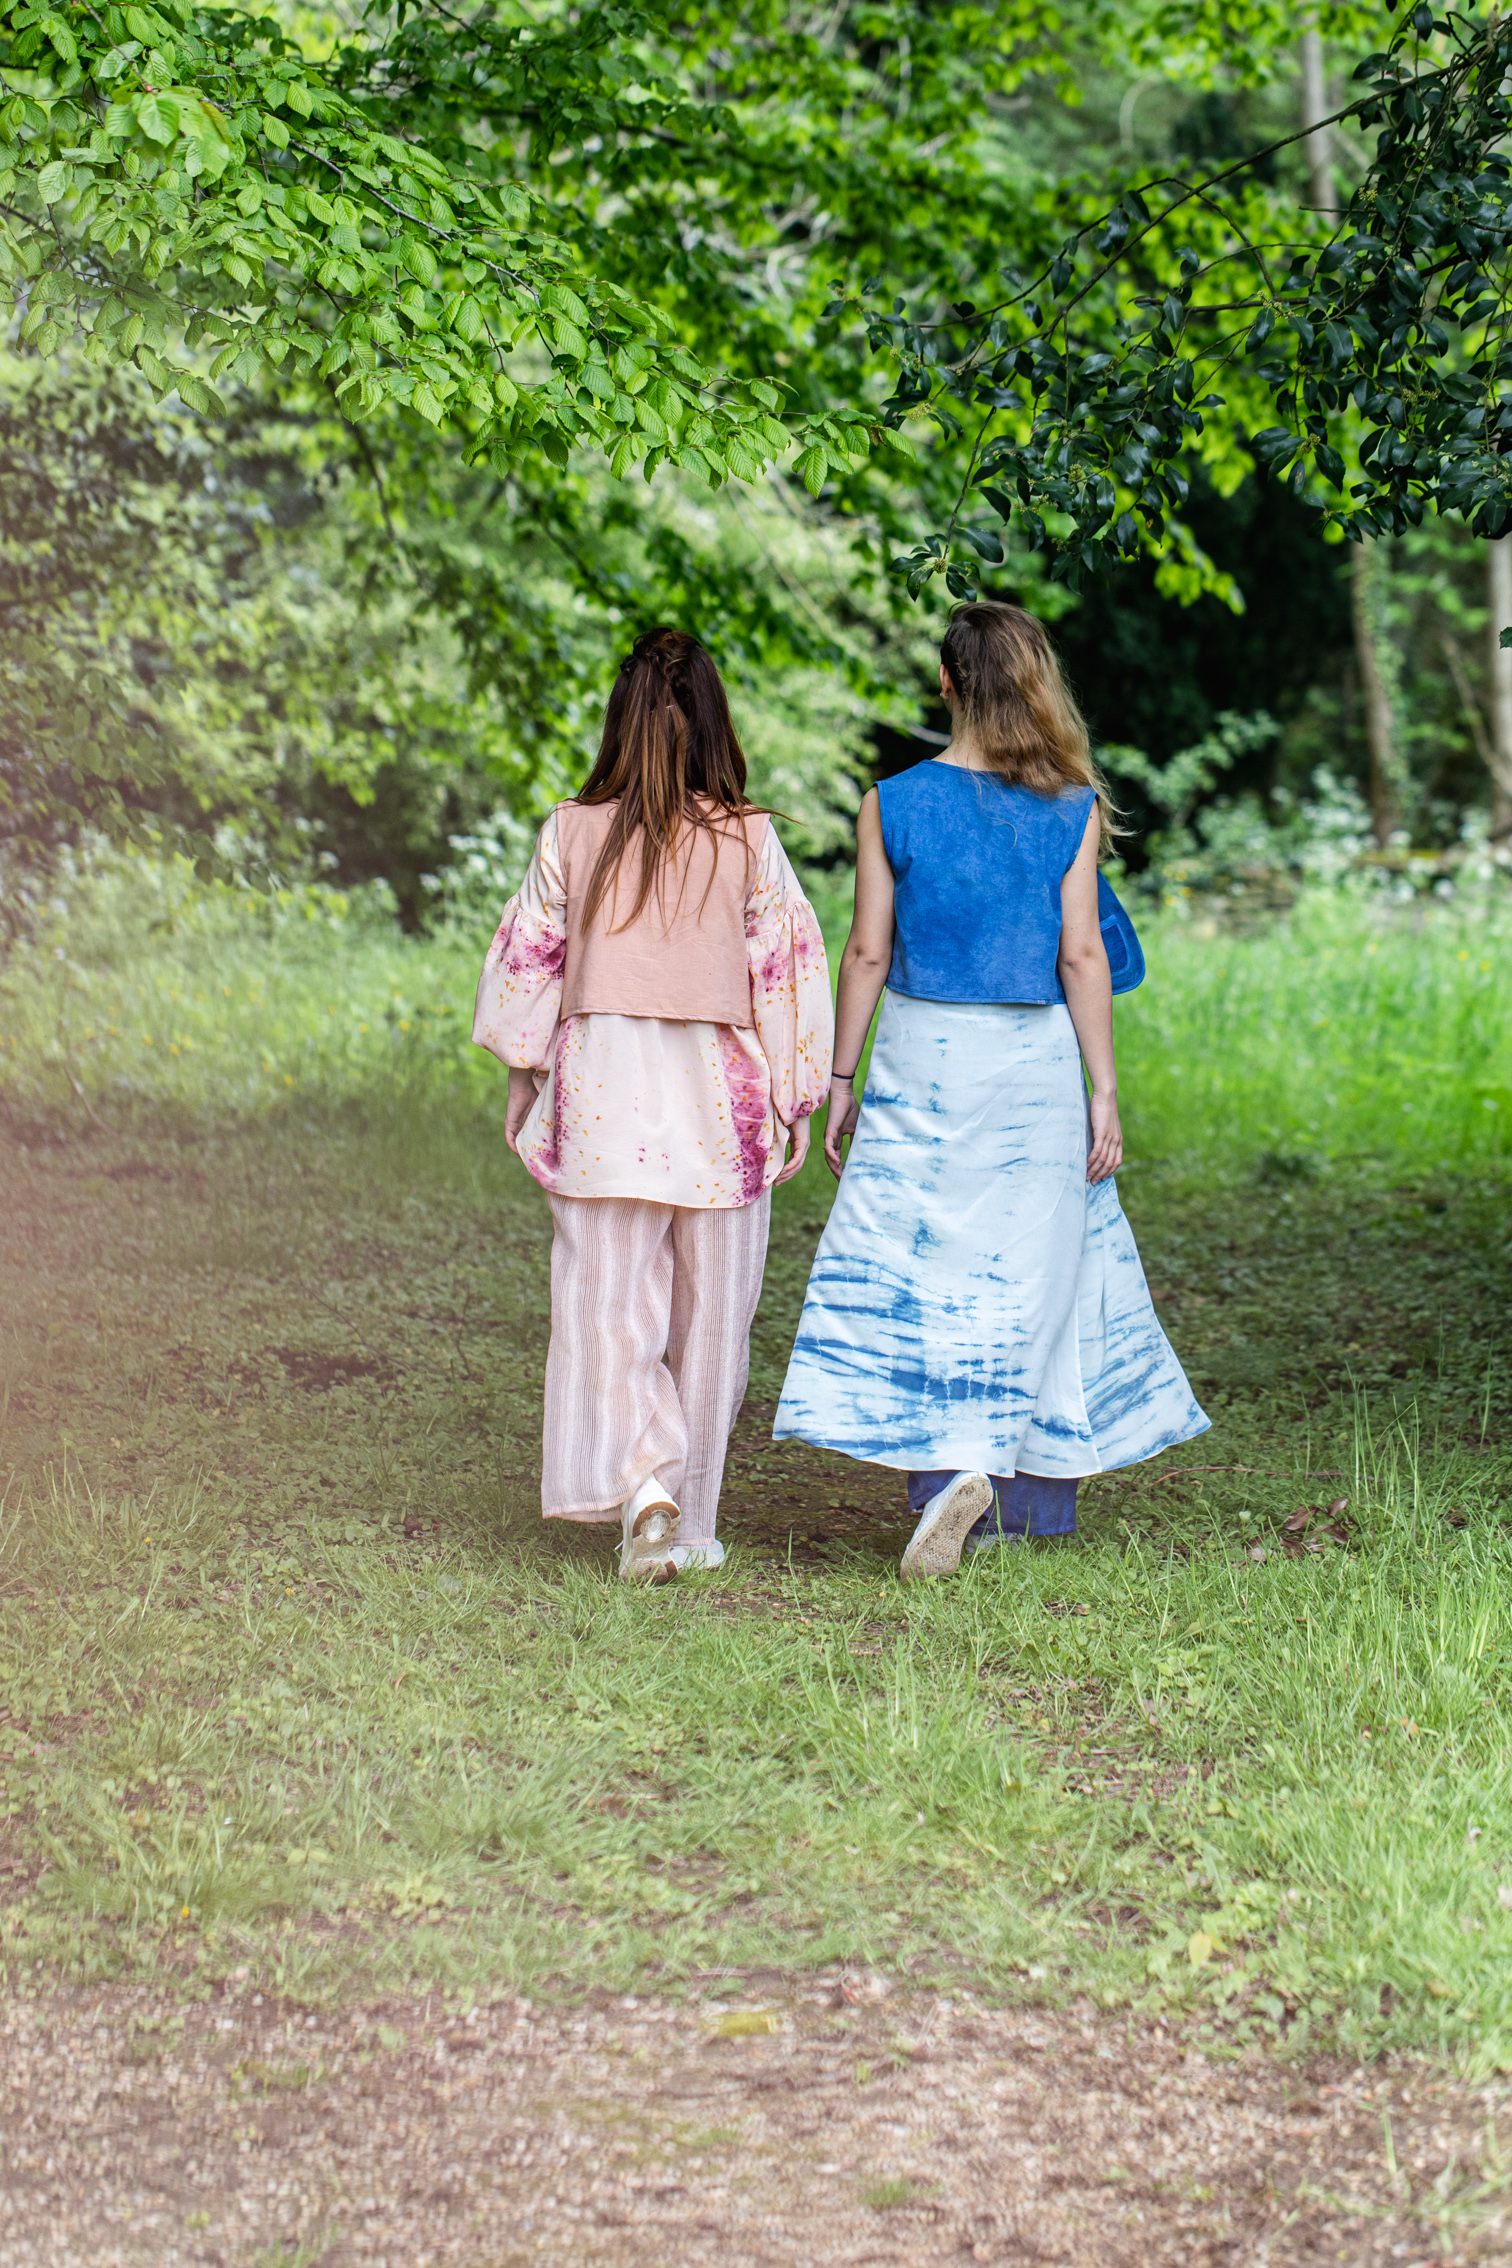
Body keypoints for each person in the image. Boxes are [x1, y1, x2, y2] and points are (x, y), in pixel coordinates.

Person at [774, 601, 1207, 1580]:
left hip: (926, 1057)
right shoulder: (1073, 807)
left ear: (945, 685)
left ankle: (941, 1487)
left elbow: (869, 951)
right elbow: (1083, 954)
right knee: (1035, 1269)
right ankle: (1022, 1494)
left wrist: (838, 1078)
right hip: (1036, 1062)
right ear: (1031, 683)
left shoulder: (893, 801)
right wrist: (1104, 1091)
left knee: (925, 1263)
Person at [474, 628, 833, 1582]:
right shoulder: (751, 838)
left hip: (600, 1092)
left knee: (605, 1302)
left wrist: (522, 1074)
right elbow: (788, 971)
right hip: (721, 1097)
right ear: (712, 719)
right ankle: (693, 1517)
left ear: (618, 723)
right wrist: (797, 1097)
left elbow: (531, 963)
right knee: (714, 1313)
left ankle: (644, 1486)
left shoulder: (570, 830)